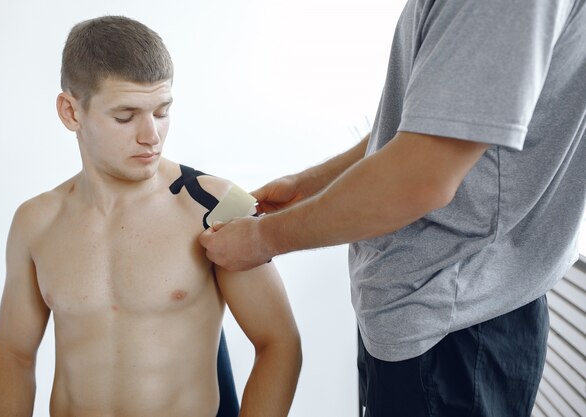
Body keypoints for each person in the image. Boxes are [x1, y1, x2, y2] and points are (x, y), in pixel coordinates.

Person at [199, 0, 586, 415]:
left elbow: (421, 174)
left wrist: (262, 240)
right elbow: (426, 126)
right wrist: (309, 184)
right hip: (436, 311)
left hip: (452, 319)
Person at [0, 15, 301, 417]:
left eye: (162, 111)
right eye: (125, 116)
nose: (151, 135)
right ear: (71, 112)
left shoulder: (215, 206)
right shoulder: (36, 222)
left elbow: (278, 342)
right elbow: (14, 356)